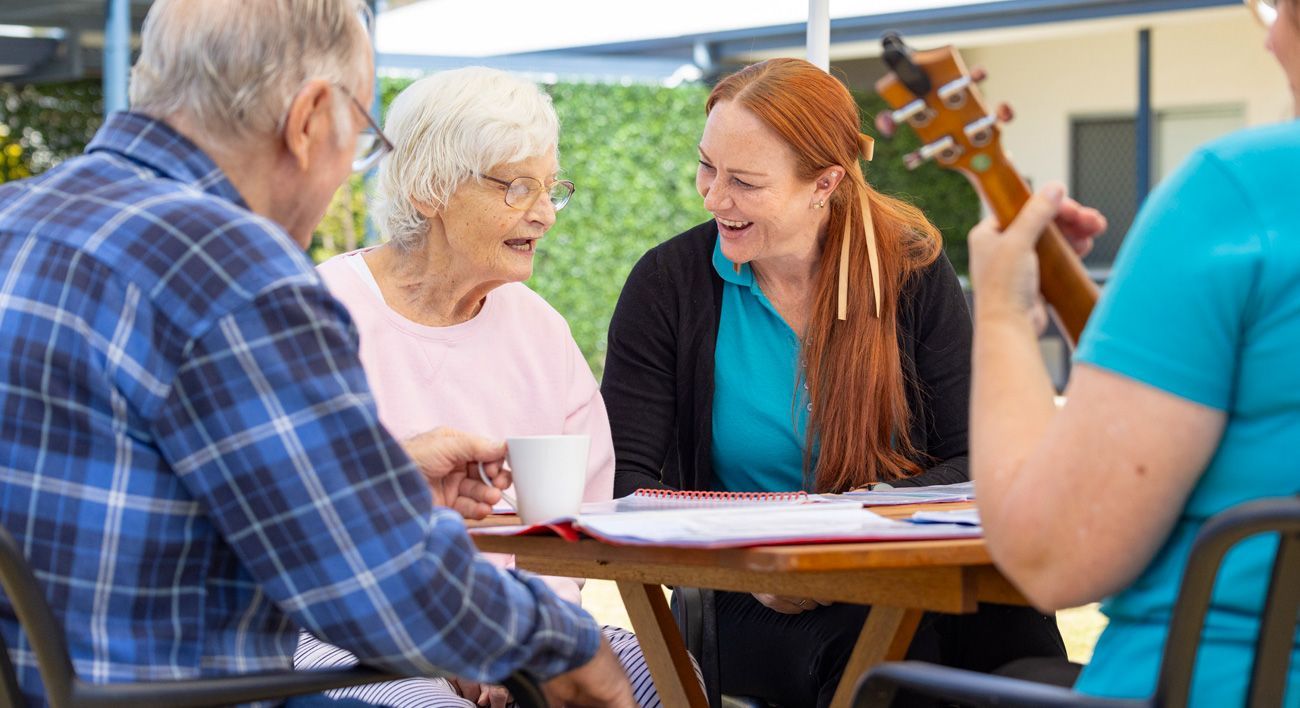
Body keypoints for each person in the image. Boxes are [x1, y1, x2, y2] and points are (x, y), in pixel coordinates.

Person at [0, 1, 634, 706]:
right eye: (360, 136)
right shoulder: (230, 273)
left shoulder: (14, 219)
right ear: (307, 119)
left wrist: (382, 480)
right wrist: (565, 644)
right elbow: (373, 580)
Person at [600, 56, 1105, 707]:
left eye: (745, 182)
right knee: (884, 645)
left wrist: (866, 518)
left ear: (825, 183)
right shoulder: (668, 284)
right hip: (748, 592)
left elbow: (976, 455)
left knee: (1019, 637)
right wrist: (749, 562)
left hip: (906, 569)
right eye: (707, 166)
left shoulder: (912, 268)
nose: (713, 196)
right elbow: (629, 481)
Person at [294, 67, 694, 708]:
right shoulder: (317, 315)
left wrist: (532, 642)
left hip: (520, 620)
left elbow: (570, 529)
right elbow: (298, 532)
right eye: (516, 188)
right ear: (429, 188)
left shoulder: (541, 332)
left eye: (550, 189)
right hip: (353, 628)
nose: (543, 215)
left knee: (668, 682)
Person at [966, 0, 1300, 703]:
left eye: (1283, 12)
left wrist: (1001, 309)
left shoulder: (1240, 191)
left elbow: (1052, 559)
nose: (1269, 40)